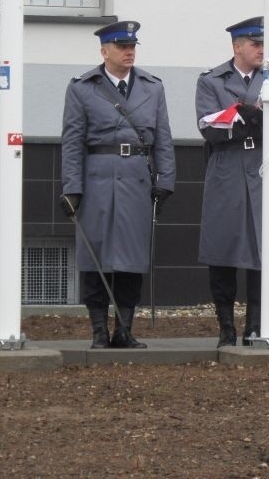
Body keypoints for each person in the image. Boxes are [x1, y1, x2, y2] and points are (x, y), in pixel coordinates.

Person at [60, 20, 176, 349]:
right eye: (123, 47)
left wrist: (166, 179)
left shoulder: (152, 87)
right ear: (104, 51)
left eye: (133, 47)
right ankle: (99, 331)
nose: (129, 52)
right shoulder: (83, 88)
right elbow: (71, 141)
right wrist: (72, 187)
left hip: (138, 178)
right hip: (97, 177)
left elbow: (164, 139)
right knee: (95, 256)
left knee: (131, 256)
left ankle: (124, 330)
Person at [195, 16, 266, 347]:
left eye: (263, 43)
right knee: (222, 249)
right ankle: (226, 327)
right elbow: (209, 126)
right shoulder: (212, 80)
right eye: (255, 44)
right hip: (227, 166)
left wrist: (253, 119)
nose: (261, 49)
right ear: (237, 47)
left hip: (261, 167)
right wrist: (245, 120)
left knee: (261, 250)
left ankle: (254, 327)